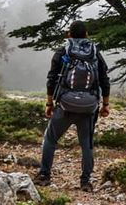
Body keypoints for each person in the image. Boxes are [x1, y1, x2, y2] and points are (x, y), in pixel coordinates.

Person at [34, 20, 110, 190]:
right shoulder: (95, 52)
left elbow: (52, 78)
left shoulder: (63, 50)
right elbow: (104, 79)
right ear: (87, 35)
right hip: (89, 106)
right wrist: (105, 104)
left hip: (65, 105)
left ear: (69, 34)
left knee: (51, 139)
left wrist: (49, 103)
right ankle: (85, 181)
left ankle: (44, 175)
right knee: (86, 143)